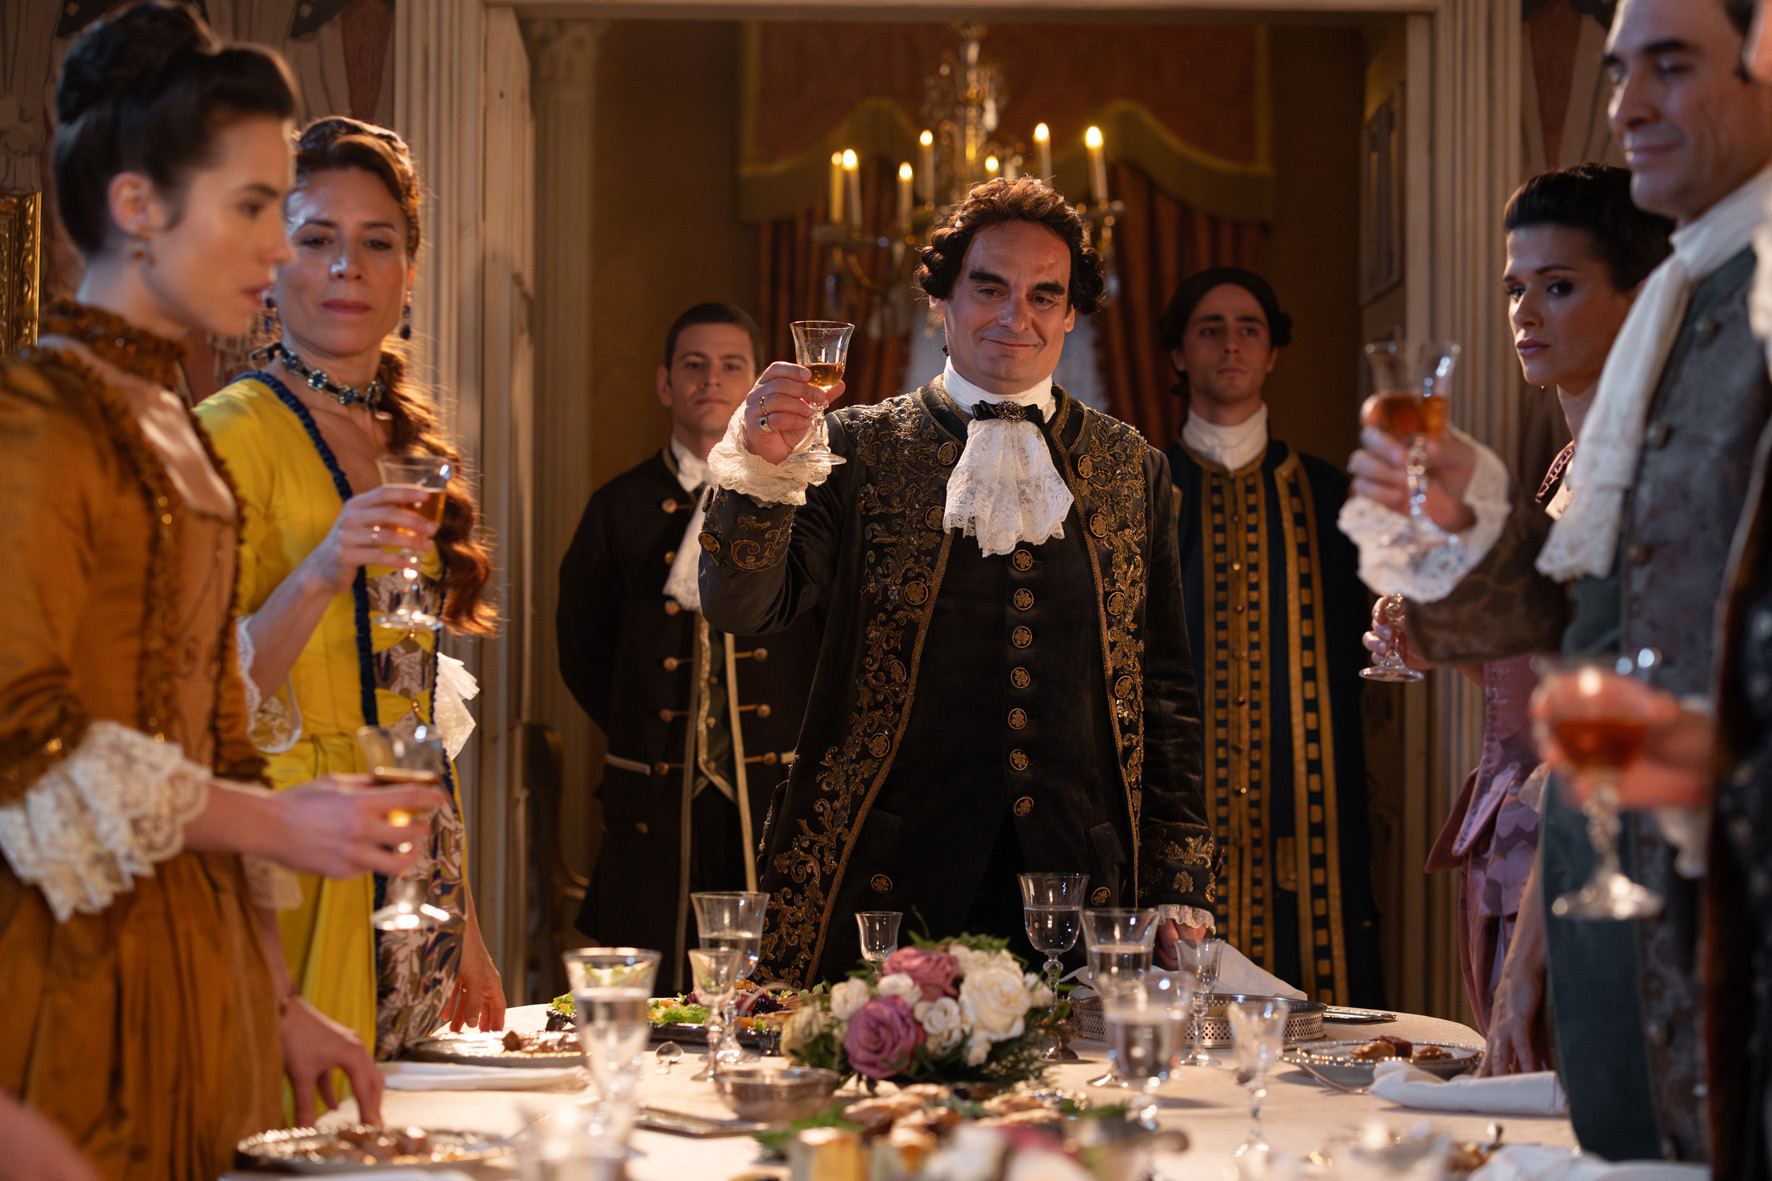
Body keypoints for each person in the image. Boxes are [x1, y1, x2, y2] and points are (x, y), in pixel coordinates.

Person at [0, 5, 444, 1175]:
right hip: (77, 970)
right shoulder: (43, 415)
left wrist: (276, 994)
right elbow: (22, 738)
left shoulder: (172, 432)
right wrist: (283, 822)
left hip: (214, 973)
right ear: (137, 206)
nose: (279, 250)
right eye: (253, 209)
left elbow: (222, 735)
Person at [1345, 0, 1772, 1160]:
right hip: (1615, 904)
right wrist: (1468, 530)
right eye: (1618, 71)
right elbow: (1602, 633)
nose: (1624, 106)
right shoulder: (1690, 299)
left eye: (1666, 66)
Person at [697, 178, 1215, 987]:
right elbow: (743, 606)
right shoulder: (851, 448)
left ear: (1071, 314)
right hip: (881, 877)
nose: (1017, 316)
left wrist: (1178, 879)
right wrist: (760, 475)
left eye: (1045, 295)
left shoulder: (1130, 466)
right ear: (939, 298)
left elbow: (1167, 687)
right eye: (990, 288)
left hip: (1076, 883)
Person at [196, 116, 505, 1064]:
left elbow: (413, 703)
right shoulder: (226, 434)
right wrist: (325, 566)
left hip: (413, 884)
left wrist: (465, 918)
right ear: (270, 263)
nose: (347, 267)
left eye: (377, 243)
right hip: (288, 866)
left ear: (408, 274)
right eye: (318, 238)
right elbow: (193, 702)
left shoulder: (409, 446)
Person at [1370, 166, 1672, 1072]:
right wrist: (1445, 641)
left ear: (1639, 298)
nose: (1524, 314)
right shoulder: (1565, 468)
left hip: (1582, 853)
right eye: (1515, 289)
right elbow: (1541, 670)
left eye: (1559, 286)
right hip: (1506, 837)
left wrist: (1535, 947)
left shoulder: (1649, 473)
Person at [557, 303, 822, 993]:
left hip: (767, 794)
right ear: (664, 384)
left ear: (757, 385)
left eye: (732, 366)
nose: (712, 380)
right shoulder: (616, 507)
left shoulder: (802, 502)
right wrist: (642, 728)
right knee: (655, 989)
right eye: (694, 365)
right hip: (655, 796)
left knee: (769, 989)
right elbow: (582, 649)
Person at [1158, 268, 1382, 1006]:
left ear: (1273, 351)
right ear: (1178, 353)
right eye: (1210, 329)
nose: (1231, 345)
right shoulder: (1139, 488)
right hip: (1177, 809)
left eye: (1248, 328)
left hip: (1309, 808)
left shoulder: (1331, 494)